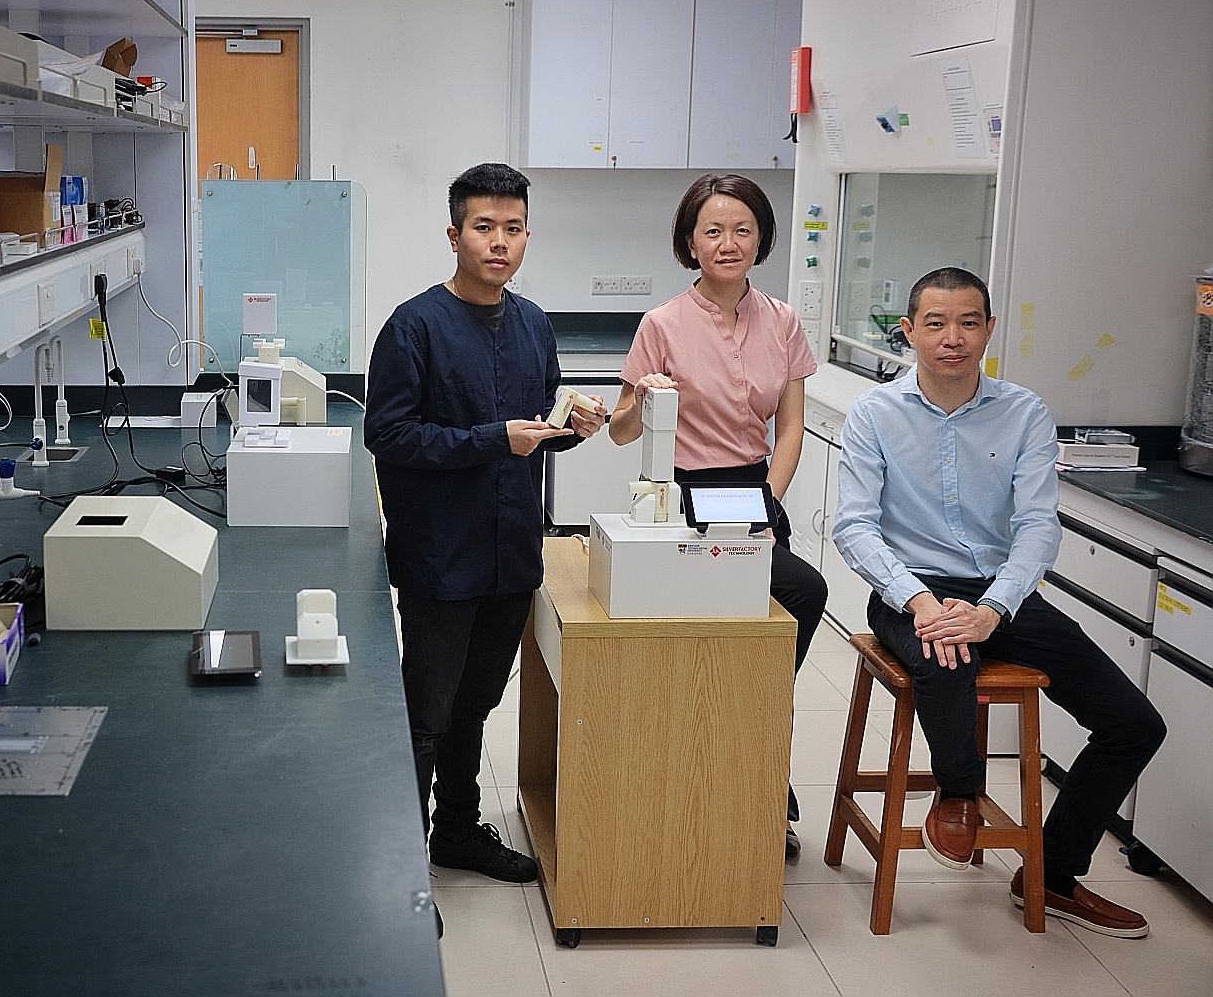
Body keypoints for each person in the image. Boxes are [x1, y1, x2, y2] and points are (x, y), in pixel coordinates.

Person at [832, 266, 1166, 937]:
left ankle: (1052, 872)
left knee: (1133, 722)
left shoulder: (1025, 411)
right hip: (910, 587)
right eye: (935, 323)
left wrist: (996, 607)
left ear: (987, 328)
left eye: (967, 322)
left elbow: (1040, 524)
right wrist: (922, 601)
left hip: (999, 590)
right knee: (945, 657)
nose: (951, 338)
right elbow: (855, 526)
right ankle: (958, 796)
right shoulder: (875, 414)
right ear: (909, 331)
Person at [364, 163, 606, 936]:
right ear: (454, 234)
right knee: (425, 710)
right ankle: (400, 864)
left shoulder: (534, 322)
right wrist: (489, 438)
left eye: (512, 229)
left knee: (477, 702)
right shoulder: (413, 326)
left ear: (527, 234)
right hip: (442, 556)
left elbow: (540, 430)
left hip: (511, 554)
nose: (499, 243)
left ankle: (458, 832)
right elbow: (389, 435)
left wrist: (575, 427)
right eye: (483, 228)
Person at [608, 173, 827, 858]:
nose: (728, 242)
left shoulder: (784, 320)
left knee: (798, 593)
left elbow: (790, 428)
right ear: (689, 242)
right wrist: (643, 398)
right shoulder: (662, 324)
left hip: (757, 496)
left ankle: (757, 743)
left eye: (742, 229)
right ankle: (731, 758)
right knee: (720, 631)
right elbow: (619, 432)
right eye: (713, 230)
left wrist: (769, 504)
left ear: (761, 237)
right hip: (681, 499)